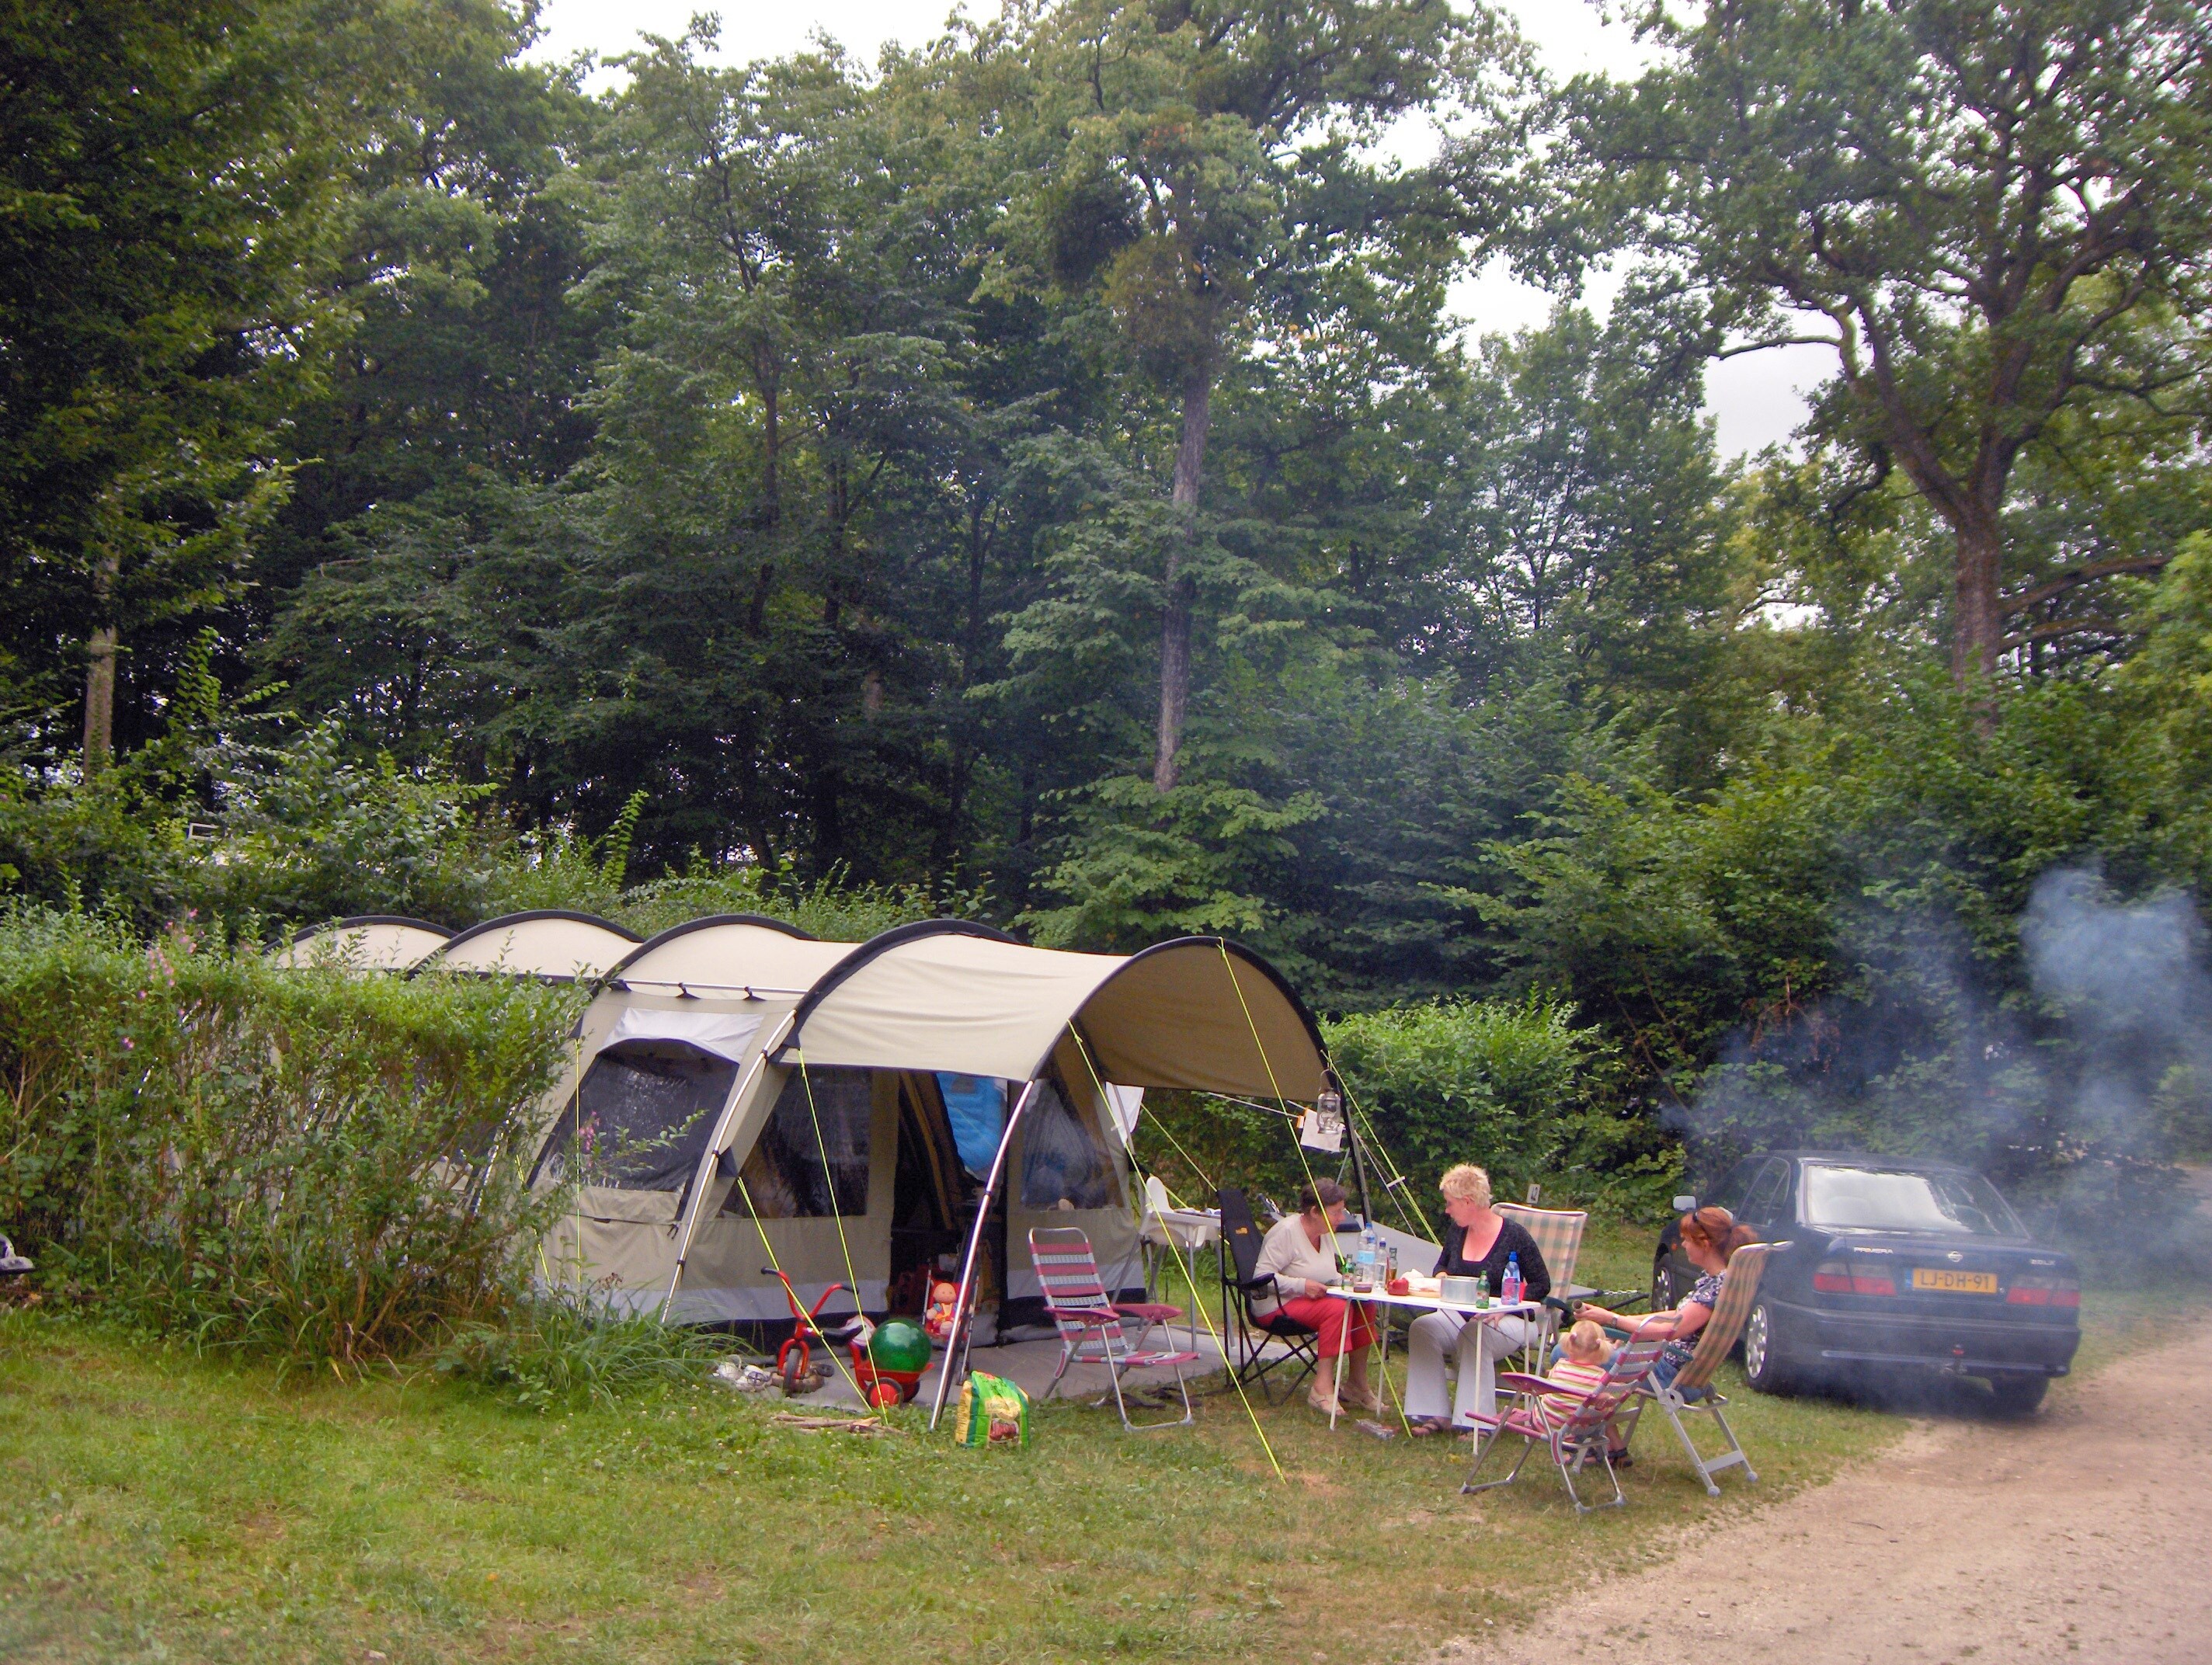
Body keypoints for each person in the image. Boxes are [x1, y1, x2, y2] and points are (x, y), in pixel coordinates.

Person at [1405, 1164, 1551, 1434]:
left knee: (1475, 1333)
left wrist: (1506, 1306)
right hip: (1461, 1316)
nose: (1447, 1210)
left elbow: (1542, 1283)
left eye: (1450, 1204)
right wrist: (1442, 1277)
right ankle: (1434, 1413)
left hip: (1510, 1322)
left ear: (1468, 1202)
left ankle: (1476, 1423)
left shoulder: (1514, 1236)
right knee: (1423, 1328)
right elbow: (1441, 1268)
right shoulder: (1457, 1232)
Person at [1576, 1204, 1755, 1396]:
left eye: (1687, 1240)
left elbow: (1667, 1330)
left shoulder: (1715, 1289)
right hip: (1673, 1367)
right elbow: (1678, 1316)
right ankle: (1594, 1418)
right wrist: (1626, 1319)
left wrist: (1611, 1319)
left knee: (1566, 1351)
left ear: (1705, 1244)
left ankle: (1576, 1419)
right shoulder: (1719, 1280)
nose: (1684, 1245)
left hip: (1668, 1374)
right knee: (1581, 1351)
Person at [1252, 1178, 1383, 1417]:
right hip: (1275, 1305)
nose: (1341, 1218)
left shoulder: (1324, 1233)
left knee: (1365, 1306)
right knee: (1335, 1309)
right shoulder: (1286, 1232)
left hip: (1309, 1301)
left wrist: (1346, 1282)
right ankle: (1322, 1387)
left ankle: (1357, 1385)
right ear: (1314, 1212)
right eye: (1336, 1213)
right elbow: (1261, 1278)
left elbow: (1325, 1274)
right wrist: (1302, 1286)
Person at [1539, 1318, 1631, 1465]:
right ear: (1601, 1350)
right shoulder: (1600, 1377)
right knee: (1602, 1405)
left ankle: (1598, 1452)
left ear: (1569, 1345)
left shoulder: (1559, 1366)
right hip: (1579, 1431)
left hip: (1548, 1423)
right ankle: (1606, 1451)